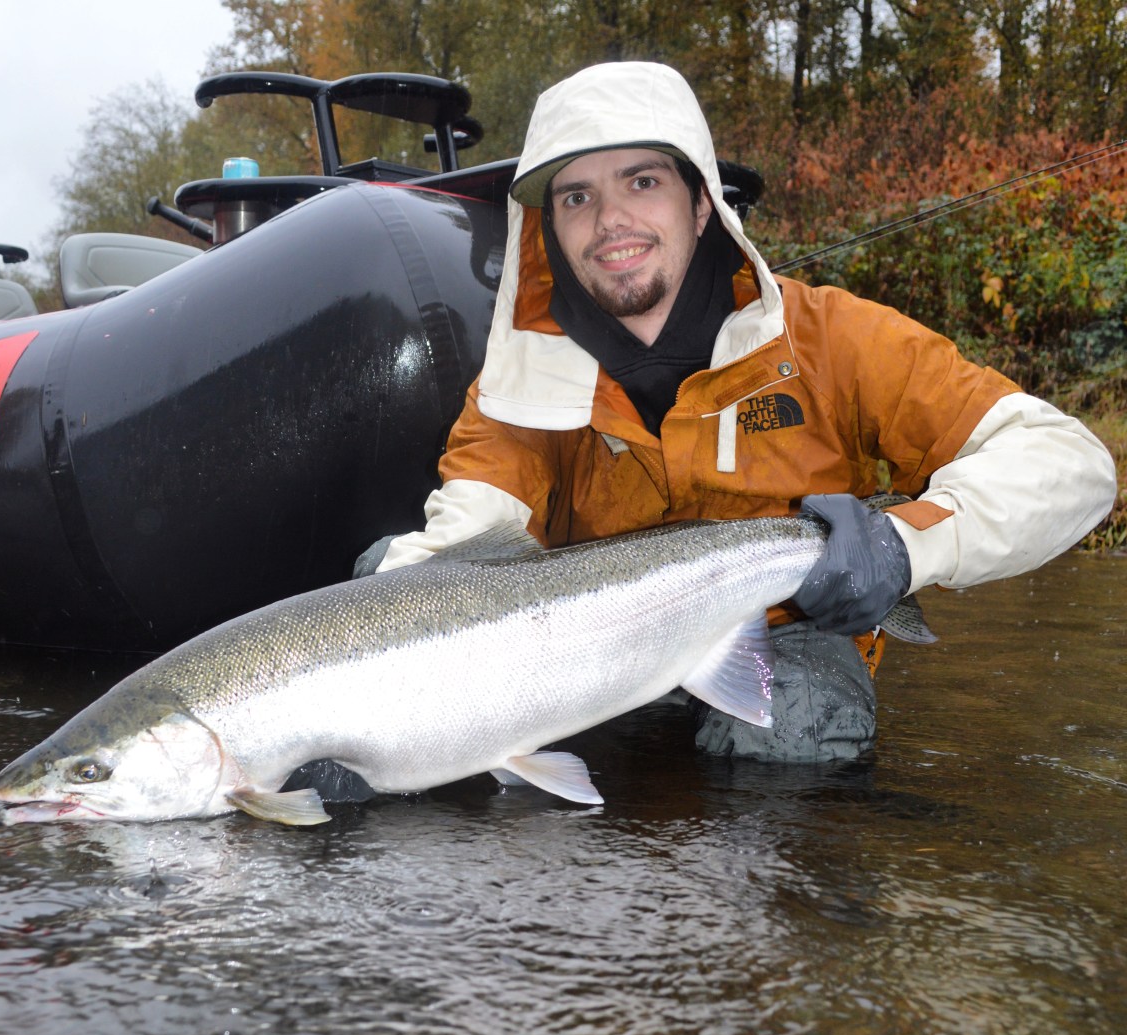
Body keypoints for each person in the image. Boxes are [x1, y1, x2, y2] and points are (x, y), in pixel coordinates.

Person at [359, 60, 1116, 763]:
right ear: (549, 229)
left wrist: (903, 547)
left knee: (794, 726)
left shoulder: (835, 338)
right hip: (592, 657)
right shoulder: (516, 389)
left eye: (643, 181)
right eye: (577, 197)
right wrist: (357, 712)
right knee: (378, 590)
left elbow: (1069, 465)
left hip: (789, 649)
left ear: (700, 204)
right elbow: (459, 544)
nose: (610, 219)